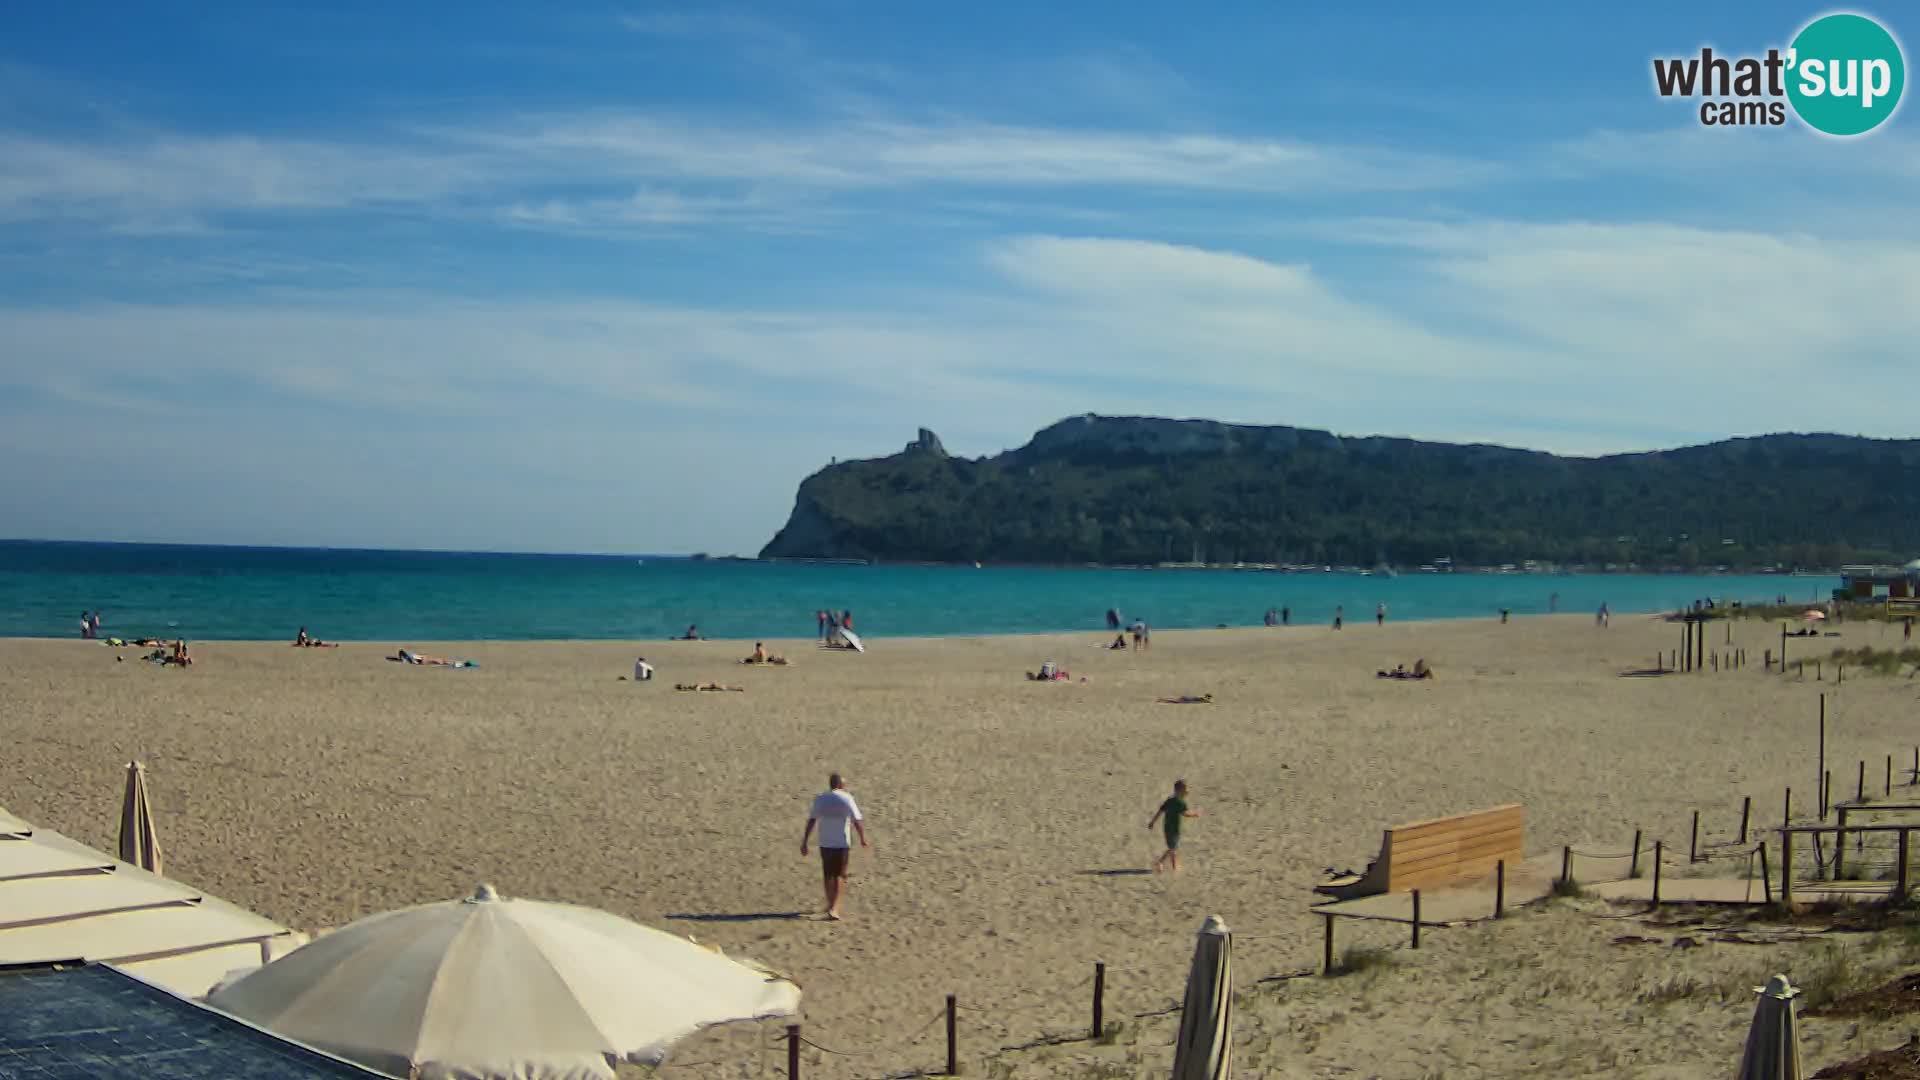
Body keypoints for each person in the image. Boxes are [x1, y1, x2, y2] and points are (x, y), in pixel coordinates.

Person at [801, 773, 868, 920]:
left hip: (825, 842)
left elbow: (812, 820)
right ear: (840, 785)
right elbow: (857, 820)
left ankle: (830, 903)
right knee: (840, 875)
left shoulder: (821, 799)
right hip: (841, 842)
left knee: (828, 874)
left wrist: (805, 841)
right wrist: (862, 838)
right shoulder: (846, 798)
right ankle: (834, 908)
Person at [1148, 780, 1201, 874]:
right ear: (1180, 791)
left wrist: (1153, 822)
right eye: (1185, 790)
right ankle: (1164, 864)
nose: (1187, 791)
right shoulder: (1181, 803)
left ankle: (1168, 864)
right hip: (1175, 830)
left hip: (1167, 828)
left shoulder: (1169, 800)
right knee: (1173, 849)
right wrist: (1195, 814)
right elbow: (1185, 814)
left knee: (1172, 848)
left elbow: (1160, 811)